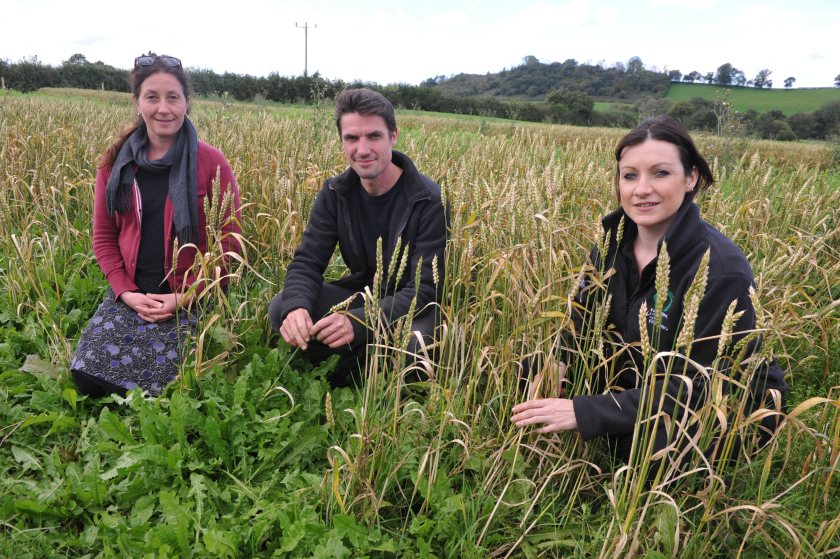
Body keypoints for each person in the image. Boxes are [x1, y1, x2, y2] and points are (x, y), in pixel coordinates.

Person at [511, 116, 787, 466]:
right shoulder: (611, 241)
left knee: (651, 451)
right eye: (630, 175)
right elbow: (581, 321)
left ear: (691, 178)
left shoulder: (721, 269)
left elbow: (701, 387)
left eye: (660, 173)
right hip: (640, 376)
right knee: (527, 373)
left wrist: (585, 411)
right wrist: (558, 364)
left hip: (716, 402)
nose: (642, 189)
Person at [70, 53, 242, 397]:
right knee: (87, 378)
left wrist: (184, 296)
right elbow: (103, 239)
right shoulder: (114, 164)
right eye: (152, 97)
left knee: (157, 388)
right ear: (137, 103)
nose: (163, 108)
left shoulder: (211, 162)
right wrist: (127, 292)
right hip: (132, 292)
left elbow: (230, 243)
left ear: (187, 103)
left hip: (190, 295)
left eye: (173, 98)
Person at [268, 88, 448, 386]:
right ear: (342, 141)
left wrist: (361, 322)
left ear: (393, 136)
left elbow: (425, 290)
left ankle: (354, 366)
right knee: (281, 308)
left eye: (373, 136)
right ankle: (371, 365)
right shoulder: (336, 192)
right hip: (363, 293)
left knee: (418, 347)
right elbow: (307, 262)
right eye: (352, 138)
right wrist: (297, 307)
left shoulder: (428, 200)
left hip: (410, 310)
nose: (362, 149)